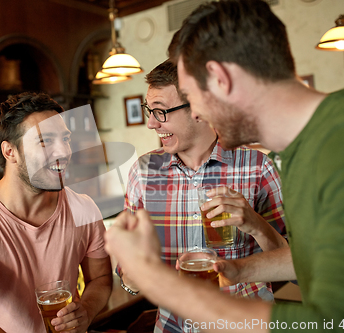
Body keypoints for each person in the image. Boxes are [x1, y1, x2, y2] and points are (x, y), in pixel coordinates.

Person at [105, 0, 344, 332]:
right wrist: (241, 270)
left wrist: (156, 280)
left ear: (221, 78)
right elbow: (310, 259)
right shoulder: (300, 151)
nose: (197, 113)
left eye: (190, 93)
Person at [119, 59, 287, 333]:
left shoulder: (257, 167)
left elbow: (296, 263)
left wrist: (256, 225)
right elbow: (127, 274)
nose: (150, 123)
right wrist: (135, 270)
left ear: (198, 109)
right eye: (149, 110)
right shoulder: (144, 171)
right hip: (173, 327)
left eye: (160, 112)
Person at [0, 92, 112, 333]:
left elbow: (101, 279)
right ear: (10, 152)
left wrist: (87, 311)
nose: (63, 152)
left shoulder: (84, 208)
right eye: (45, 141)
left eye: (65, 139)